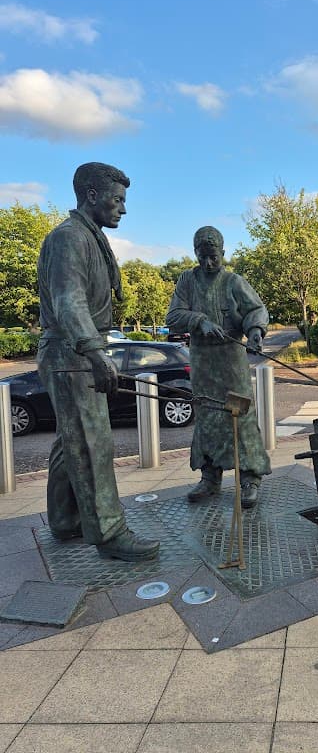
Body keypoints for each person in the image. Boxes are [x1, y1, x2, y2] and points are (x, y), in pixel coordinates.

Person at [37, 162, 160, 561]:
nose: (122, 208)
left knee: (69, 439)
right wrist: (95, 351)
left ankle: (63, 519)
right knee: (92, 443)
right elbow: (68, 300)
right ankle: (109, 532)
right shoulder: (70, 238)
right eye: (118, 199)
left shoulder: (90, 238)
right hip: (71, 353)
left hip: (73, 351)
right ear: (92, 195)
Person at [166, 226, 271, 509]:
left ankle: (250, 477)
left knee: (241, 416)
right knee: (208, 417)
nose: (208, 263)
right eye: (202, 257)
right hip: (202, 361)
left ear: (223, 253)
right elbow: (173, 316)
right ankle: (210, 476)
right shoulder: (187, 281)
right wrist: (198, 320)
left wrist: (256, 331)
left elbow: (256, 311)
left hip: (231, 359)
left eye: (213, 257)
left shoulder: (234, 281)